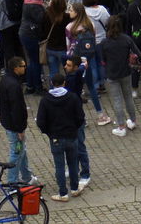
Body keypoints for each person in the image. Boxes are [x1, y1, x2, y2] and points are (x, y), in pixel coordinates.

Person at [36, 73, 86, 202]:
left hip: (56, 138)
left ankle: (63, 193)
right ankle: (75, 188)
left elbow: (41, 122)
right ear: (64, 83)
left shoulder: (46, 100)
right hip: (71, 136)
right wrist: (74, 128)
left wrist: (49, 132)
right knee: (73, 163)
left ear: (52, 83)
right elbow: (80, 117)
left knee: (59, 166)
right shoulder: (73, 98)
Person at [0, 56, 36, 187]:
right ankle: (12, 182)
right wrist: (20, 129)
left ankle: (26, 176)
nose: (25, 68)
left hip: (9, 123)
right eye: (23, 66)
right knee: (17, 152)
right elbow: (16, 109)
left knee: (21, 151)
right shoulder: (14, 85)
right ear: (16, 68)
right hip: (14, 126)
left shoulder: (6, 80)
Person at [101, 15, 140, 136]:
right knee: (128, 97)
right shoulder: (126, 39)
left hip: (112, 74)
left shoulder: (104, 42)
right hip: (126, 72)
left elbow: (102, 60)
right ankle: (132, 121)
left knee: (117, 100)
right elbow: (137, 53)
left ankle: (121, 126)